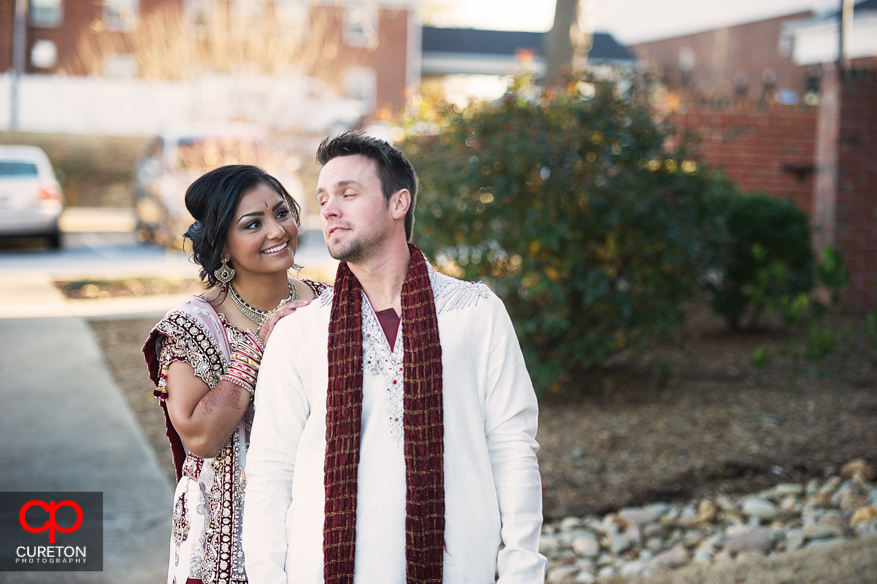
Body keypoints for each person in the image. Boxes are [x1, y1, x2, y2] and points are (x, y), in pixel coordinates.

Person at [242, 133, 546, 583]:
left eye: (348, 193)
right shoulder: (301, 332)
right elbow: (270, 469)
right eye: (323, 198)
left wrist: (522, 568)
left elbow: (512, 446)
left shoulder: (474, 313)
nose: (328, 209)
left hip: (457, 569)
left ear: (398, 203)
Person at [143, 164, 328, 584]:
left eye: (282, 213)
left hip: (316, 522)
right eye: (253, 224)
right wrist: (261, 343)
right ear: (221, 245)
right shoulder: (192, 325)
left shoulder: (328, 306)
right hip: (226, 541)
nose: (277, 231)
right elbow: (201, 436)